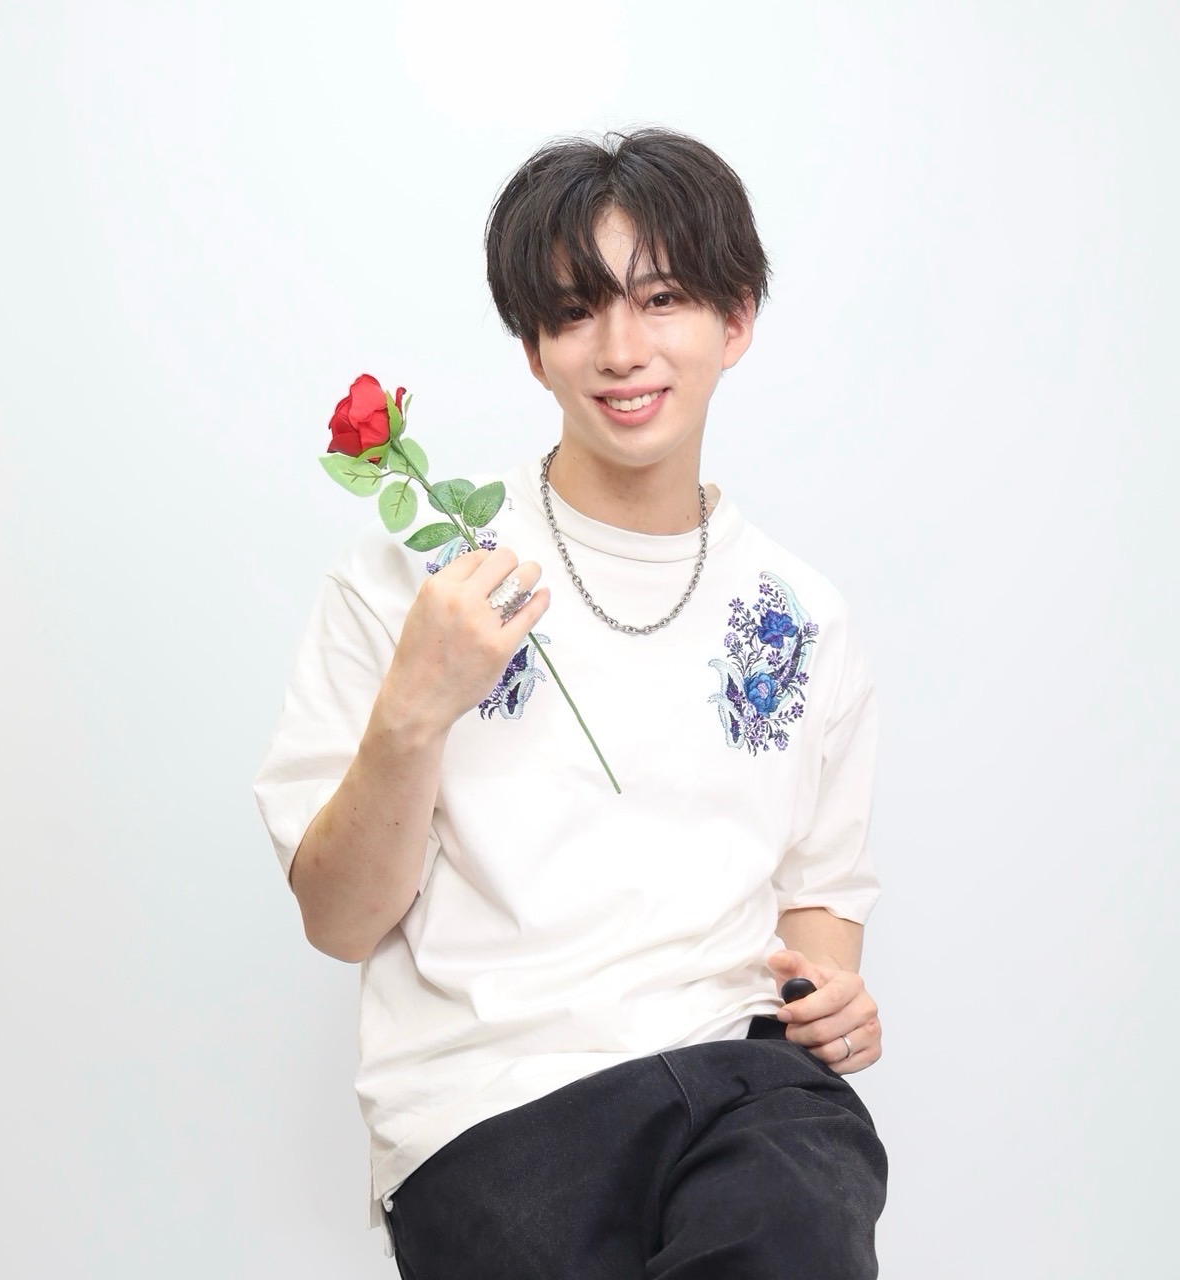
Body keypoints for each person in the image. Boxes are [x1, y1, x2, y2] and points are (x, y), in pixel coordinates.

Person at [255, 127, 887, 1278]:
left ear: (735, 320)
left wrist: (830, 999)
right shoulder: (413, 581)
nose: (621, 348)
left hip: (743, 1083)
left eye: (662, 298)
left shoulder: (806, 616)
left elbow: (818, 899)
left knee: (792, 1220)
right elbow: (339, 920)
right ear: (533, 350)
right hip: (493, 1109)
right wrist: (415, 706)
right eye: (575, 310)